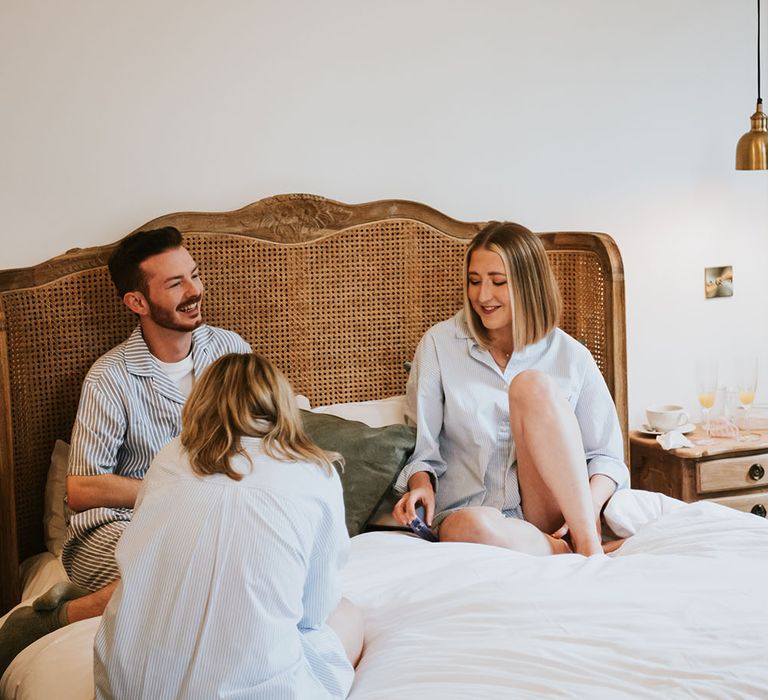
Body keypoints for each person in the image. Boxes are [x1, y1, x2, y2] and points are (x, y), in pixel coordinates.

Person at [0, 227, 250, 675]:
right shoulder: (110, 378)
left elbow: (261, 440)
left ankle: (95, 598)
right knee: (196, 562)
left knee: (234, 558)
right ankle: (57, 617)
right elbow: (80, 489)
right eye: (176, 284)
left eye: (194, 275)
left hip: (211, 517)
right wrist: (178, 489)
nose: (195, 291)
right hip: (112, 530)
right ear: (137, 302)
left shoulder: (230, 350)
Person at [94, 352, 363, 699]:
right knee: (347, 615)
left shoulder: (168, 458)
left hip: (128, 687)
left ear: (201, 401)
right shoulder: (312, 473)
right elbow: (313, 611)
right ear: (281, 403)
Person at [392, 221, 629, 556]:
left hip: (547, 514)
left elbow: (607, 459)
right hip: (469, 516)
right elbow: (423, 450)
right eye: (474, 282)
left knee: (530, 386)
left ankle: (587, 544)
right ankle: (564, 551)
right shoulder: (438, 346)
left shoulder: (570, 355)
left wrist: (586, 512)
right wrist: (420, 487)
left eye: (498, 282)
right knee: (469, 527)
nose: (482, 296)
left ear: (528, 285)